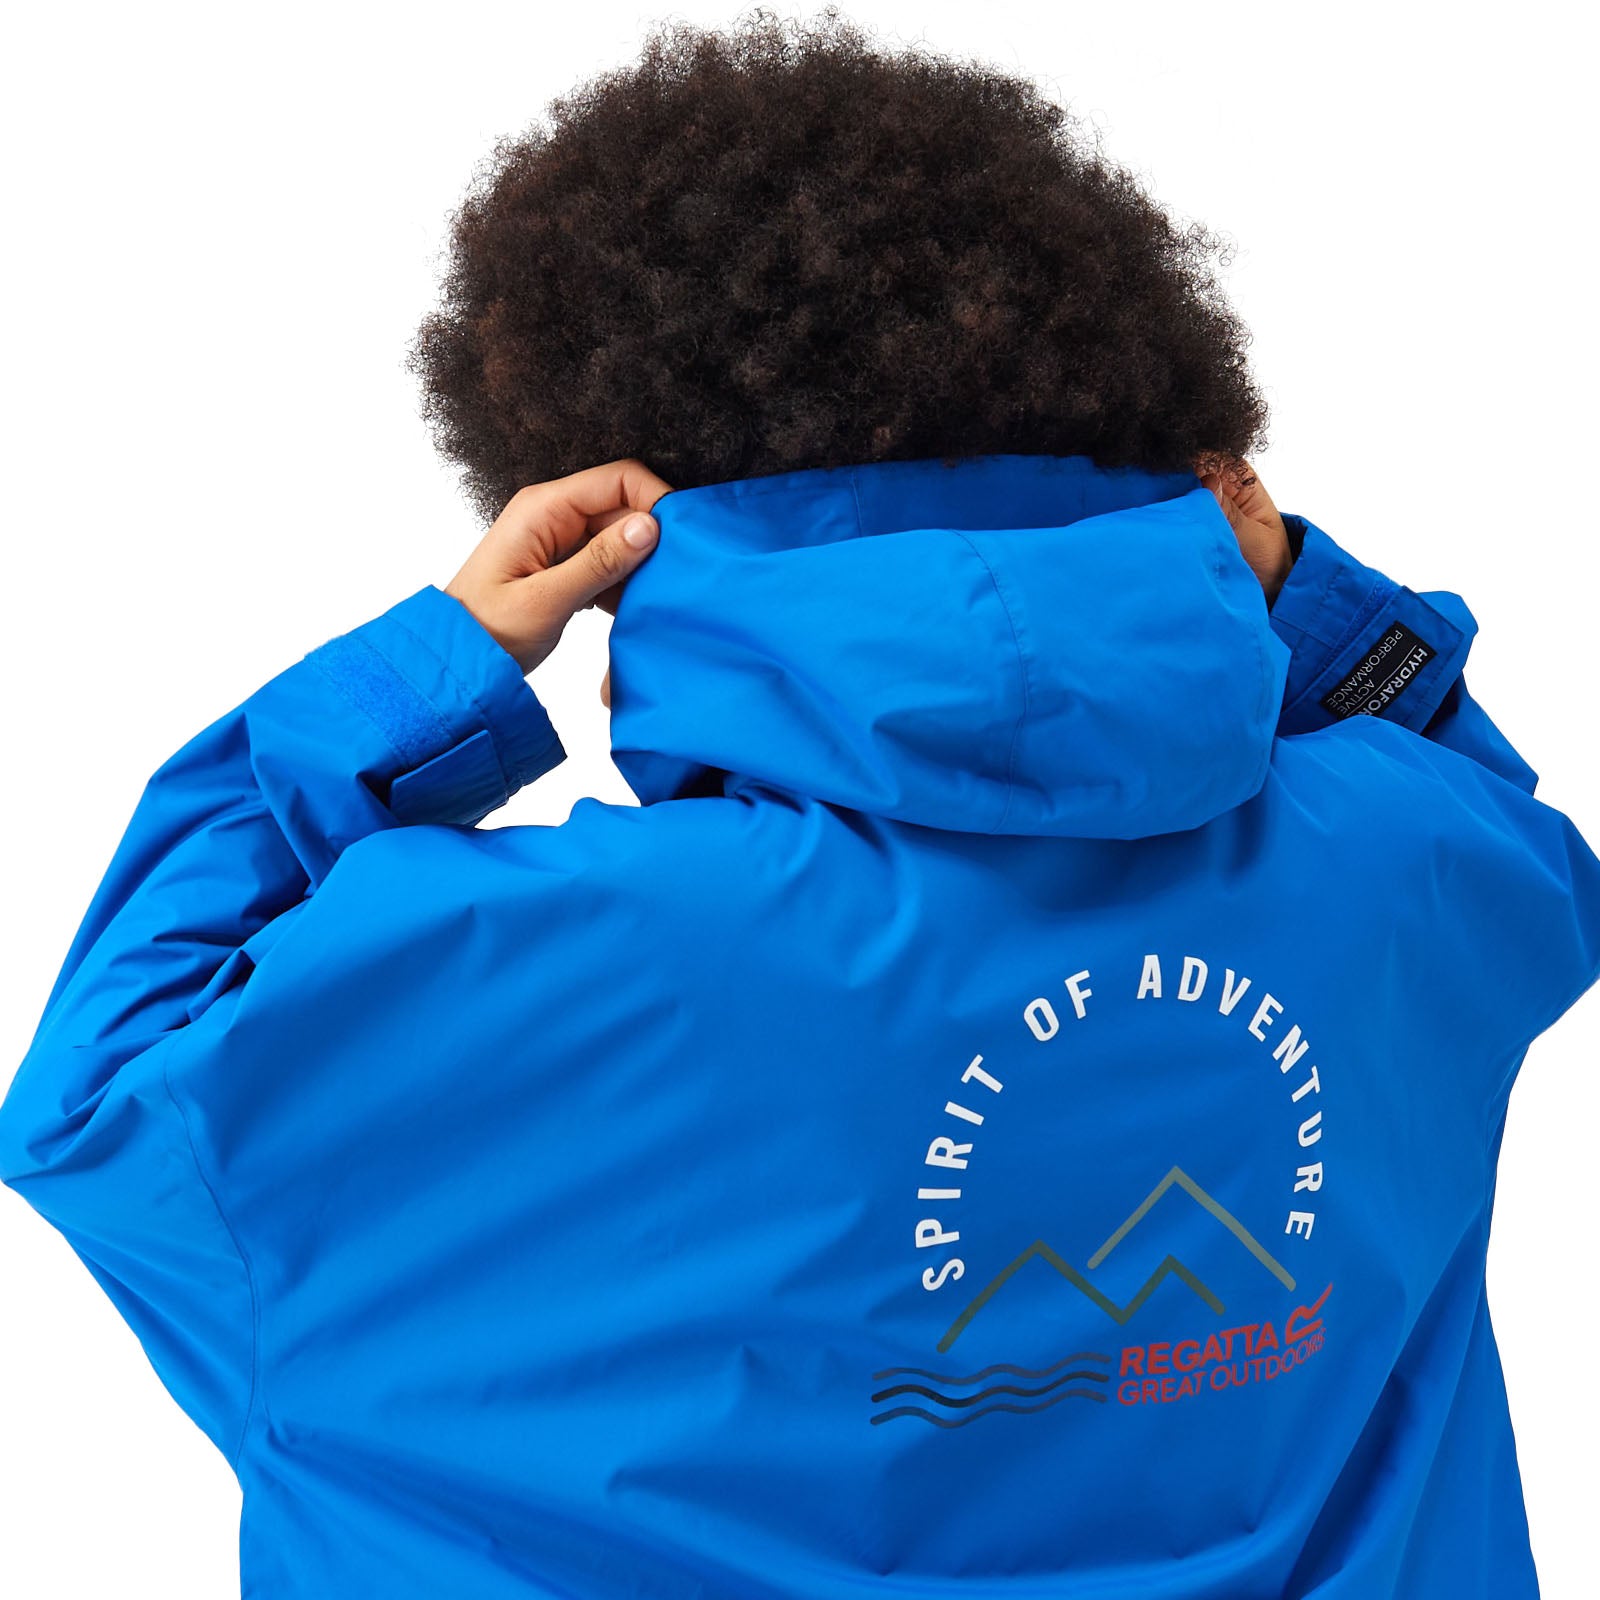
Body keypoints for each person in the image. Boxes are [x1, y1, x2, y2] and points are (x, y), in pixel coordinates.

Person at [3, 10, 1597, 1598]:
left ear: (599, 501)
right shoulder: (1401, 865)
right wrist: (1310, 603)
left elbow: (97, 1104)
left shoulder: (515, 961)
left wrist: (428, 680)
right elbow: (1514, 849)